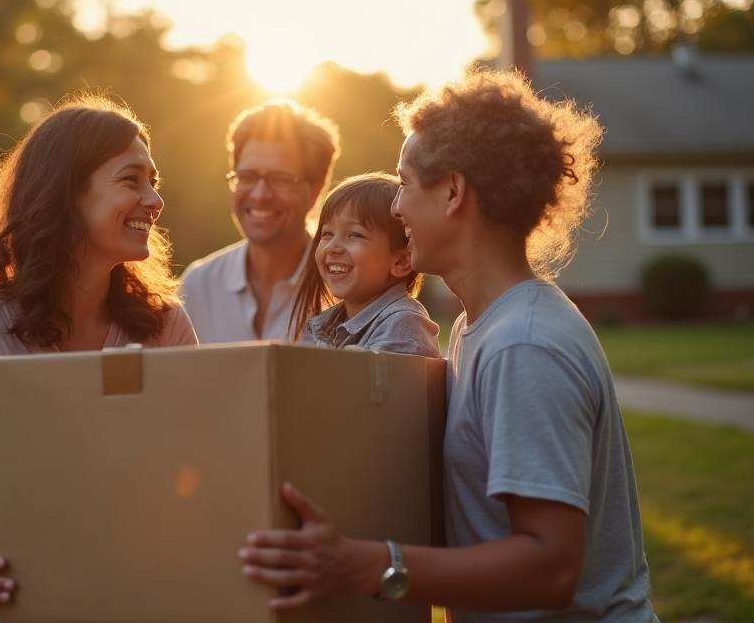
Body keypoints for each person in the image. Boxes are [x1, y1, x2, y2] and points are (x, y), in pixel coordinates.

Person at [238, 69, 658, 621]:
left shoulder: (523, 344)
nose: (396, 208)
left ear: (453, 192)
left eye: (405, 183)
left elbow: (551, 567)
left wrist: (367, 566)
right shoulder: (476, 328)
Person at [0, 95, 198, 622]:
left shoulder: (167, 325)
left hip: (136, 599)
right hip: (13, 604)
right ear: (68, 193)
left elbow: (199, 471)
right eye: (131, 179)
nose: (155, 198)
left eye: (153, 179)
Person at [180, 100, 341, 342]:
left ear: (315, 192)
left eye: (280, 179)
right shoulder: (197, 286)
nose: (260, 195)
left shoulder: (342, 288)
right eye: (247, 176)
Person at [291, 172, 439, 356]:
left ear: (401, 261)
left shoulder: (403, 324)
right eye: (327, 234)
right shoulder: (321, 325)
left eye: (354, 234)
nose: (332, 247)